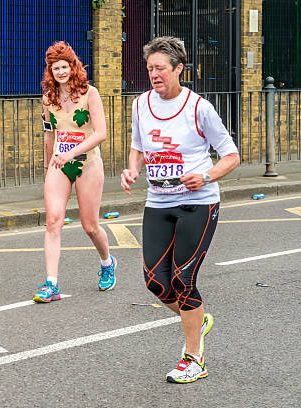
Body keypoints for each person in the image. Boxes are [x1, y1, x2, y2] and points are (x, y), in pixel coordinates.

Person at [120, 36, 240, 383]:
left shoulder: (198, 107)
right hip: (157, 202)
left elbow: (231, 156)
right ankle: (198, 318)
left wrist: (204, 176)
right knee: (156, 283)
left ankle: (194, 358)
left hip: (197, 203)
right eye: (149, 69)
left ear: (178, 69)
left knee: (182, 280)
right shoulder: (141, 104)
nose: (154, 75)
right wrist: (132, 169)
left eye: (160, 68)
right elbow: (138, 147)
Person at [33, 42, 116, 303]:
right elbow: (49, 134)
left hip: (88, 164)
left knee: (90, 226)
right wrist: (48, 167)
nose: (60, 72)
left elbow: (101, 133)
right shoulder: (48, 98)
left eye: (64, 66)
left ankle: (107, 262)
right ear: (50, 71)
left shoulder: (90, 93)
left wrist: (71, 152)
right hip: (59, 165)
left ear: (73, 67)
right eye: (55, 68)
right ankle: (51, 284)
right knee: (53, 222)